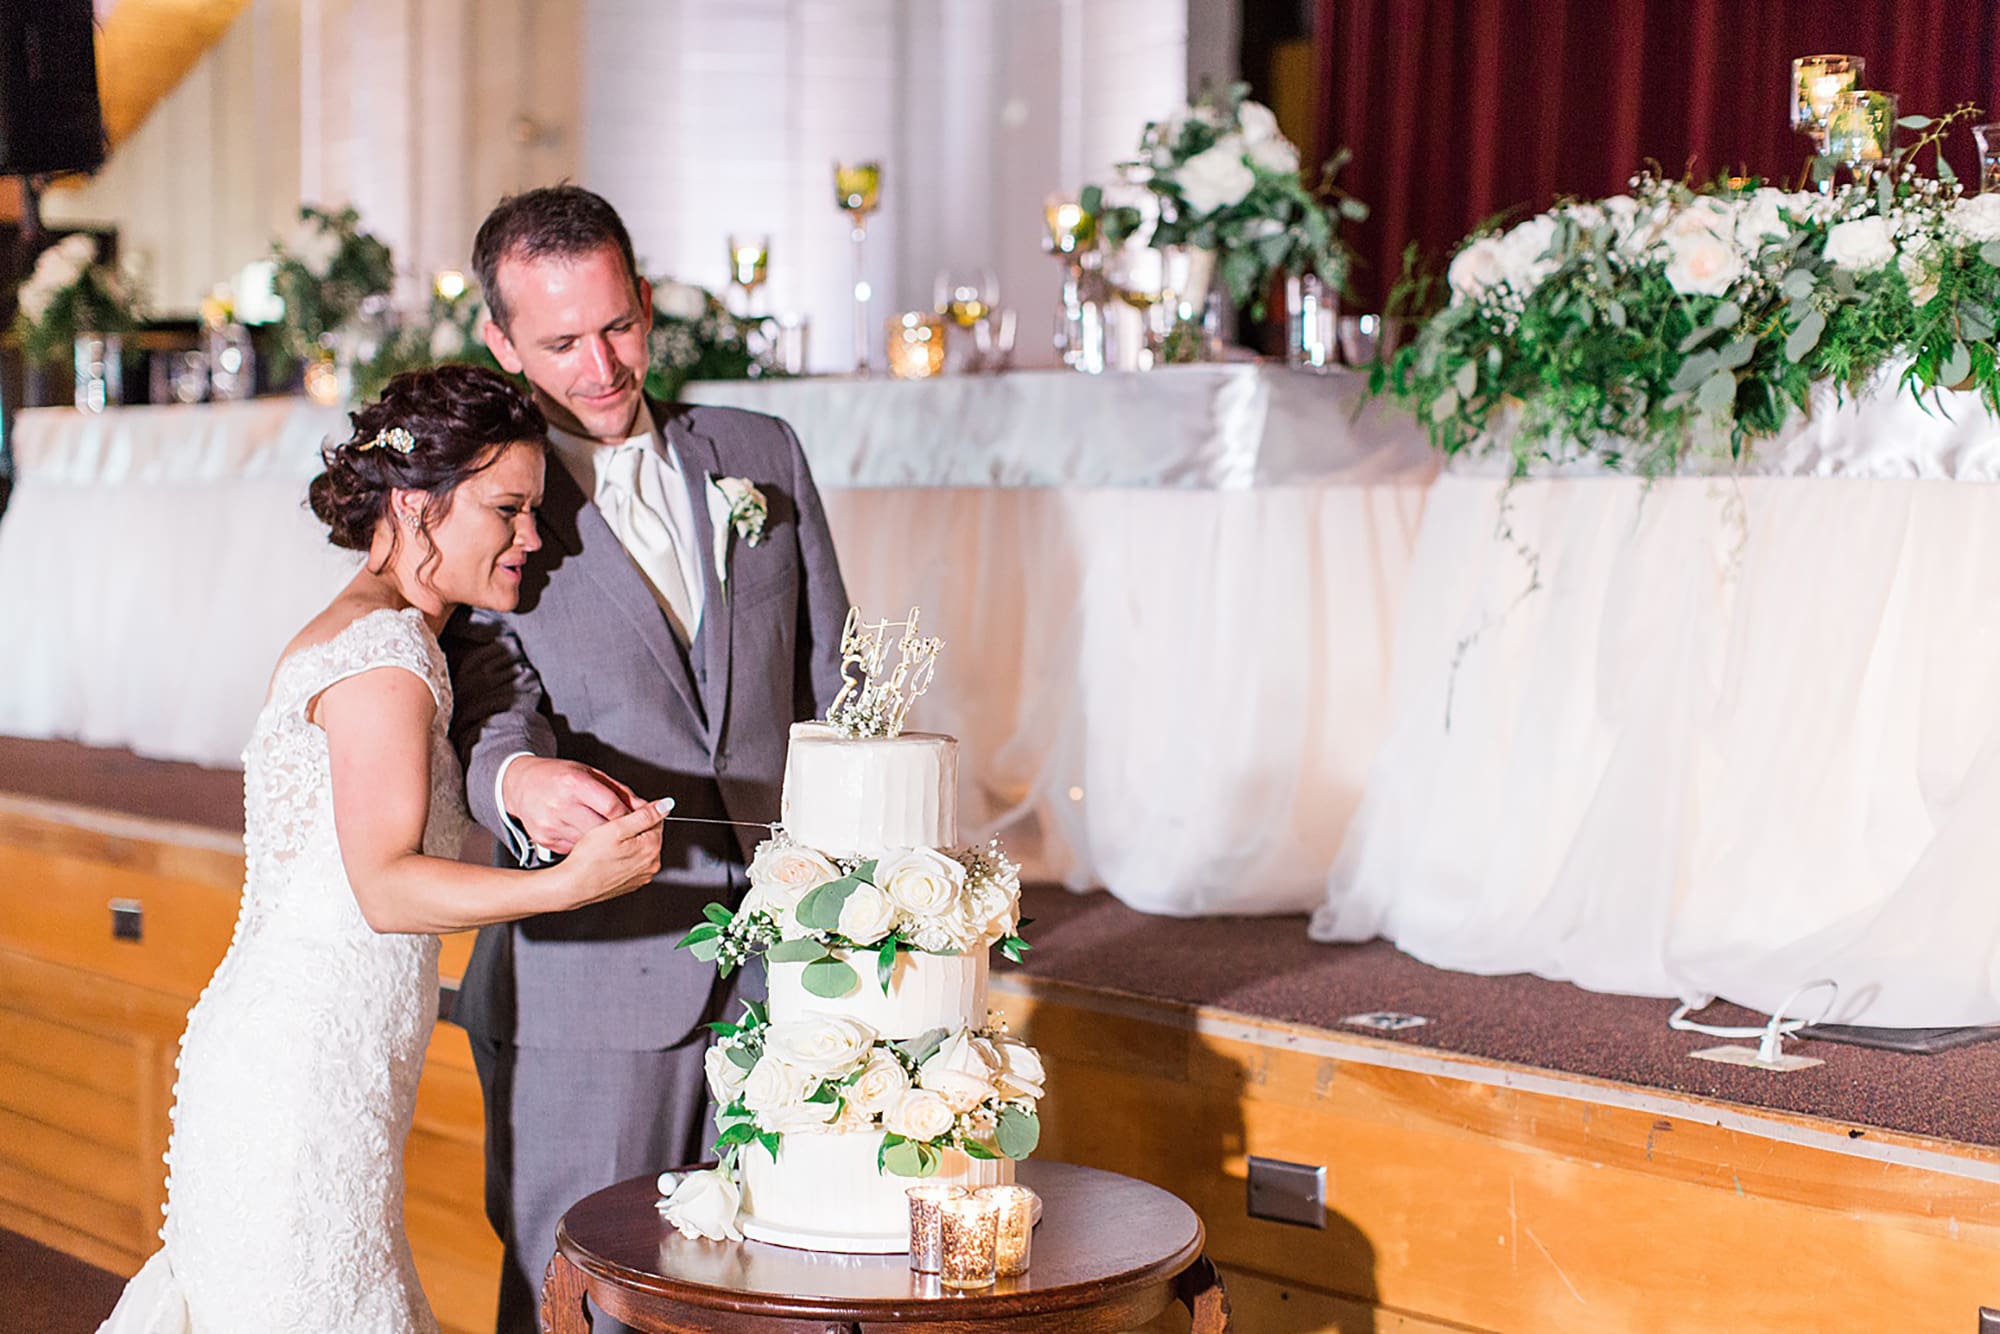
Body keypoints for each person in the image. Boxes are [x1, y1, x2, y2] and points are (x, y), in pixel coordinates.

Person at [95, 366, 669, 1334]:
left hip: (317, 1062)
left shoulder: (389, 636)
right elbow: (385, 887)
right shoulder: (387, 661)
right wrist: (569, 883)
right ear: (416, 503)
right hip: (303, 1080)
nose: (532, 536)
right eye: (508, 508)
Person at [445, 185, 849, 1332]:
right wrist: (519, 783)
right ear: (499, 339)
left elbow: (836, 682)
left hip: (786, 970)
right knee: (581, 1304)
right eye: (561, 341)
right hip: (592, 973)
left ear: (645, 300)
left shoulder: (758, 453)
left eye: (618, 325)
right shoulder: (484, 496)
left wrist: (856, 899)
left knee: (772, 1296)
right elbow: (484, 688)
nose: (600, 365)